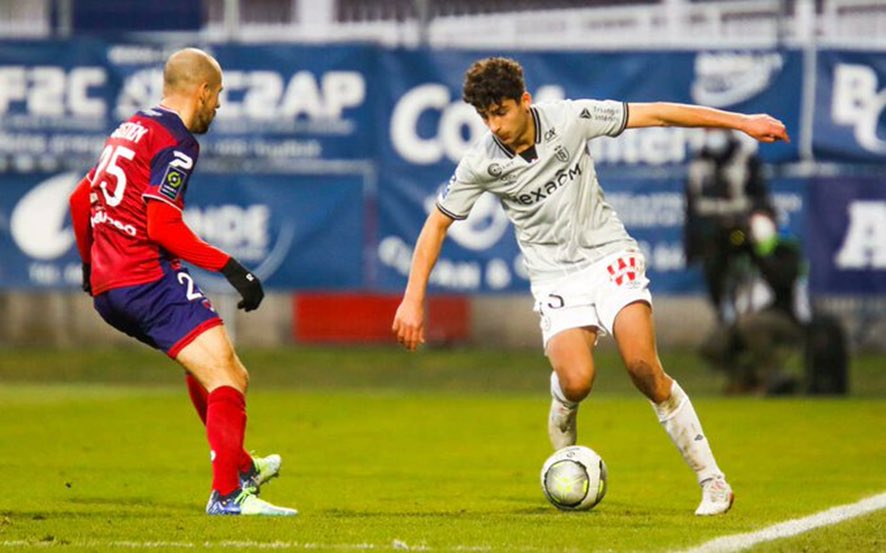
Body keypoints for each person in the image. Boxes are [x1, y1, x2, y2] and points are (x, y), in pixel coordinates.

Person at [392, 57, 789, 516]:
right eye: (485, 116)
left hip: (609, 256)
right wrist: (412, 300)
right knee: (577, 381)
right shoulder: (481, 161)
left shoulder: (570, 118)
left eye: (501, 111)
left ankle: (712, 481)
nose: (495, 125)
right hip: (555, 278)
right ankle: (564, 409)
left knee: (643, 367)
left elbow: (658, 114)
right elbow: (437, 224)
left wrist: (742, 122)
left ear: (524, 101)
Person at [68, 48, 296, 516]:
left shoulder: (130, 128)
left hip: (112, 288)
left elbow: (79, 199)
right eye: (219, 94)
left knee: (211, 369)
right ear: (203, 91)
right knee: (229, 376)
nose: (219, 105)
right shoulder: (176, 141)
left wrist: (91, 268)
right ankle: (228, 495)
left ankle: (242, 467)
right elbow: (163, 228)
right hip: (147, 278)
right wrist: (233, 269)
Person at [701, 209, 811, 395]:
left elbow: (782, 281)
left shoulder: (785, 251)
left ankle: (773, 378)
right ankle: (747, 380)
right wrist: (723, 252)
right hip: (746, 318)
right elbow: (717, 284)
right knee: (713, 345)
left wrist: (757, 254)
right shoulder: (740, 257)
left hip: (786, 316)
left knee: (750, 325)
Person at [684, 129, 773, 323]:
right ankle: (724, 315)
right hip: (712, 233)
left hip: (742, 229)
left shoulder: (745, 160)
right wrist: (690, 247)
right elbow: (691, 209)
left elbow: (761, 197)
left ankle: (769, 299)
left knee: (763, 243)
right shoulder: (698, 163)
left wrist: (758, 216)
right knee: (713, 269)